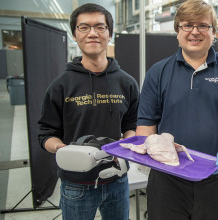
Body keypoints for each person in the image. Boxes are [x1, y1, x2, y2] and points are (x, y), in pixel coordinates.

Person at [135, 0, 218, 219]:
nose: (195, 32)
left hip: (212, 177)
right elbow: (145, 124)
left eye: (203, 26)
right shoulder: (157, 72)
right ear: (177, 31)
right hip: (166, 180)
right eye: (187, 25)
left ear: (213, 31)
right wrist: (150, 151)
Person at [37, 3, 139, 220]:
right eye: (84, 27)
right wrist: (64, 150)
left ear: (109, 33)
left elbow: (131, 126)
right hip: (76, 184)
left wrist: (126, 145)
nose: (92, 33)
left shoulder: (127, 83)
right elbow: (45, 134)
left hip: (117, 180)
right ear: (75, 34)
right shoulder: (60, 86)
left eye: (100, 27)